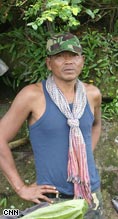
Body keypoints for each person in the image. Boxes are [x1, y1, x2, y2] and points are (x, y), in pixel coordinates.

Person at [0, 33, 103, 218]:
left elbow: (95, 126)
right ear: (49, 63)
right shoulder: (32, 96)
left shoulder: (92, 94)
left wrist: (81, 157)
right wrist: (21, 188)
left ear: (83, 60)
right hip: (52, 200)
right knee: (12, 214)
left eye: (74, 56)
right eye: (60, 56)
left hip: (90, 194)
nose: (68, 61)